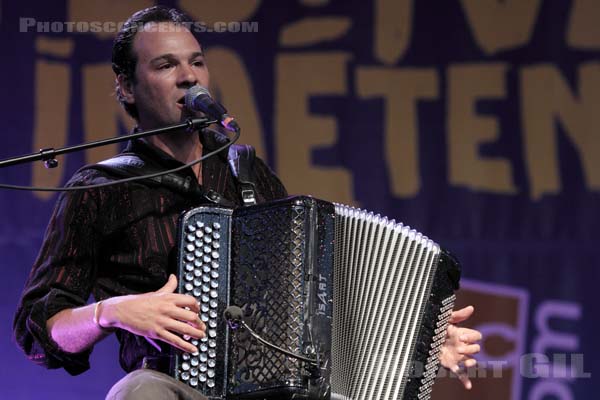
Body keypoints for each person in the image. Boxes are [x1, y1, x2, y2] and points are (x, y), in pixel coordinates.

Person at [13, 6, 481, 399]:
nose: (188, 77)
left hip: (279, 388)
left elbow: (315, 302)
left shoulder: (246, 173)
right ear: (126, 87)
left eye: (196, 63)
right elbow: (38, 329)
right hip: (176, 387)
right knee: (139, 392)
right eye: (165, 66)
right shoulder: (101, 187)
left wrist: (417, 343)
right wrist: (113, 311)